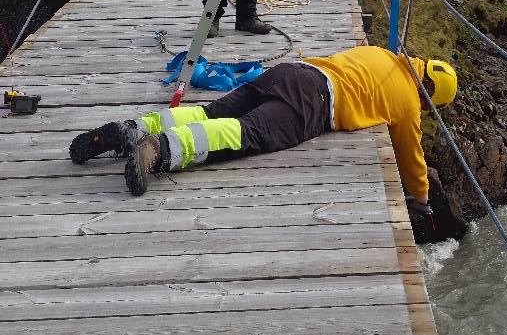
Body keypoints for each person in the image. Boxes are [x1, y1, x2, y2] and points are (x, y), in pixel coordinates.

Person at [68, 45, 459, 239]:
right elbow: (411, 155)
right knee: (245, 133)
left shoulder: (382, 53)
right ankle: (159, 151)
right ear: (428, 94)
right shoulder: (409, 103)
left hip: (289, 73)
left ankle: (132, 128)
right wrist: (421, 200)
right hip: (313, 103)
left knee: (210, 112)